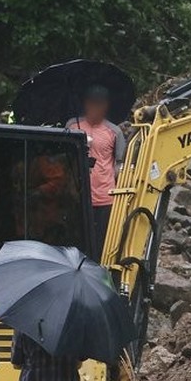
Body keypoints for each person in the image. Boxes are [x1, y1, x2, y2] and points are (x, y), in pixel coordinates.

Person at [66, 85, 126, 259]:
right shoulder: (73, 125)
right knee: (76, 242)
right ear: (86, 104)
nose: (95, 108)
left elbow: (119, 163)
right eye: (92, 103)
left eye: (100, 104)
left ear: (105, 106)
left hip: (104, 197)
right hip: (77, 195)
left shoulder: (114, 131)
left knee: (100, 244)